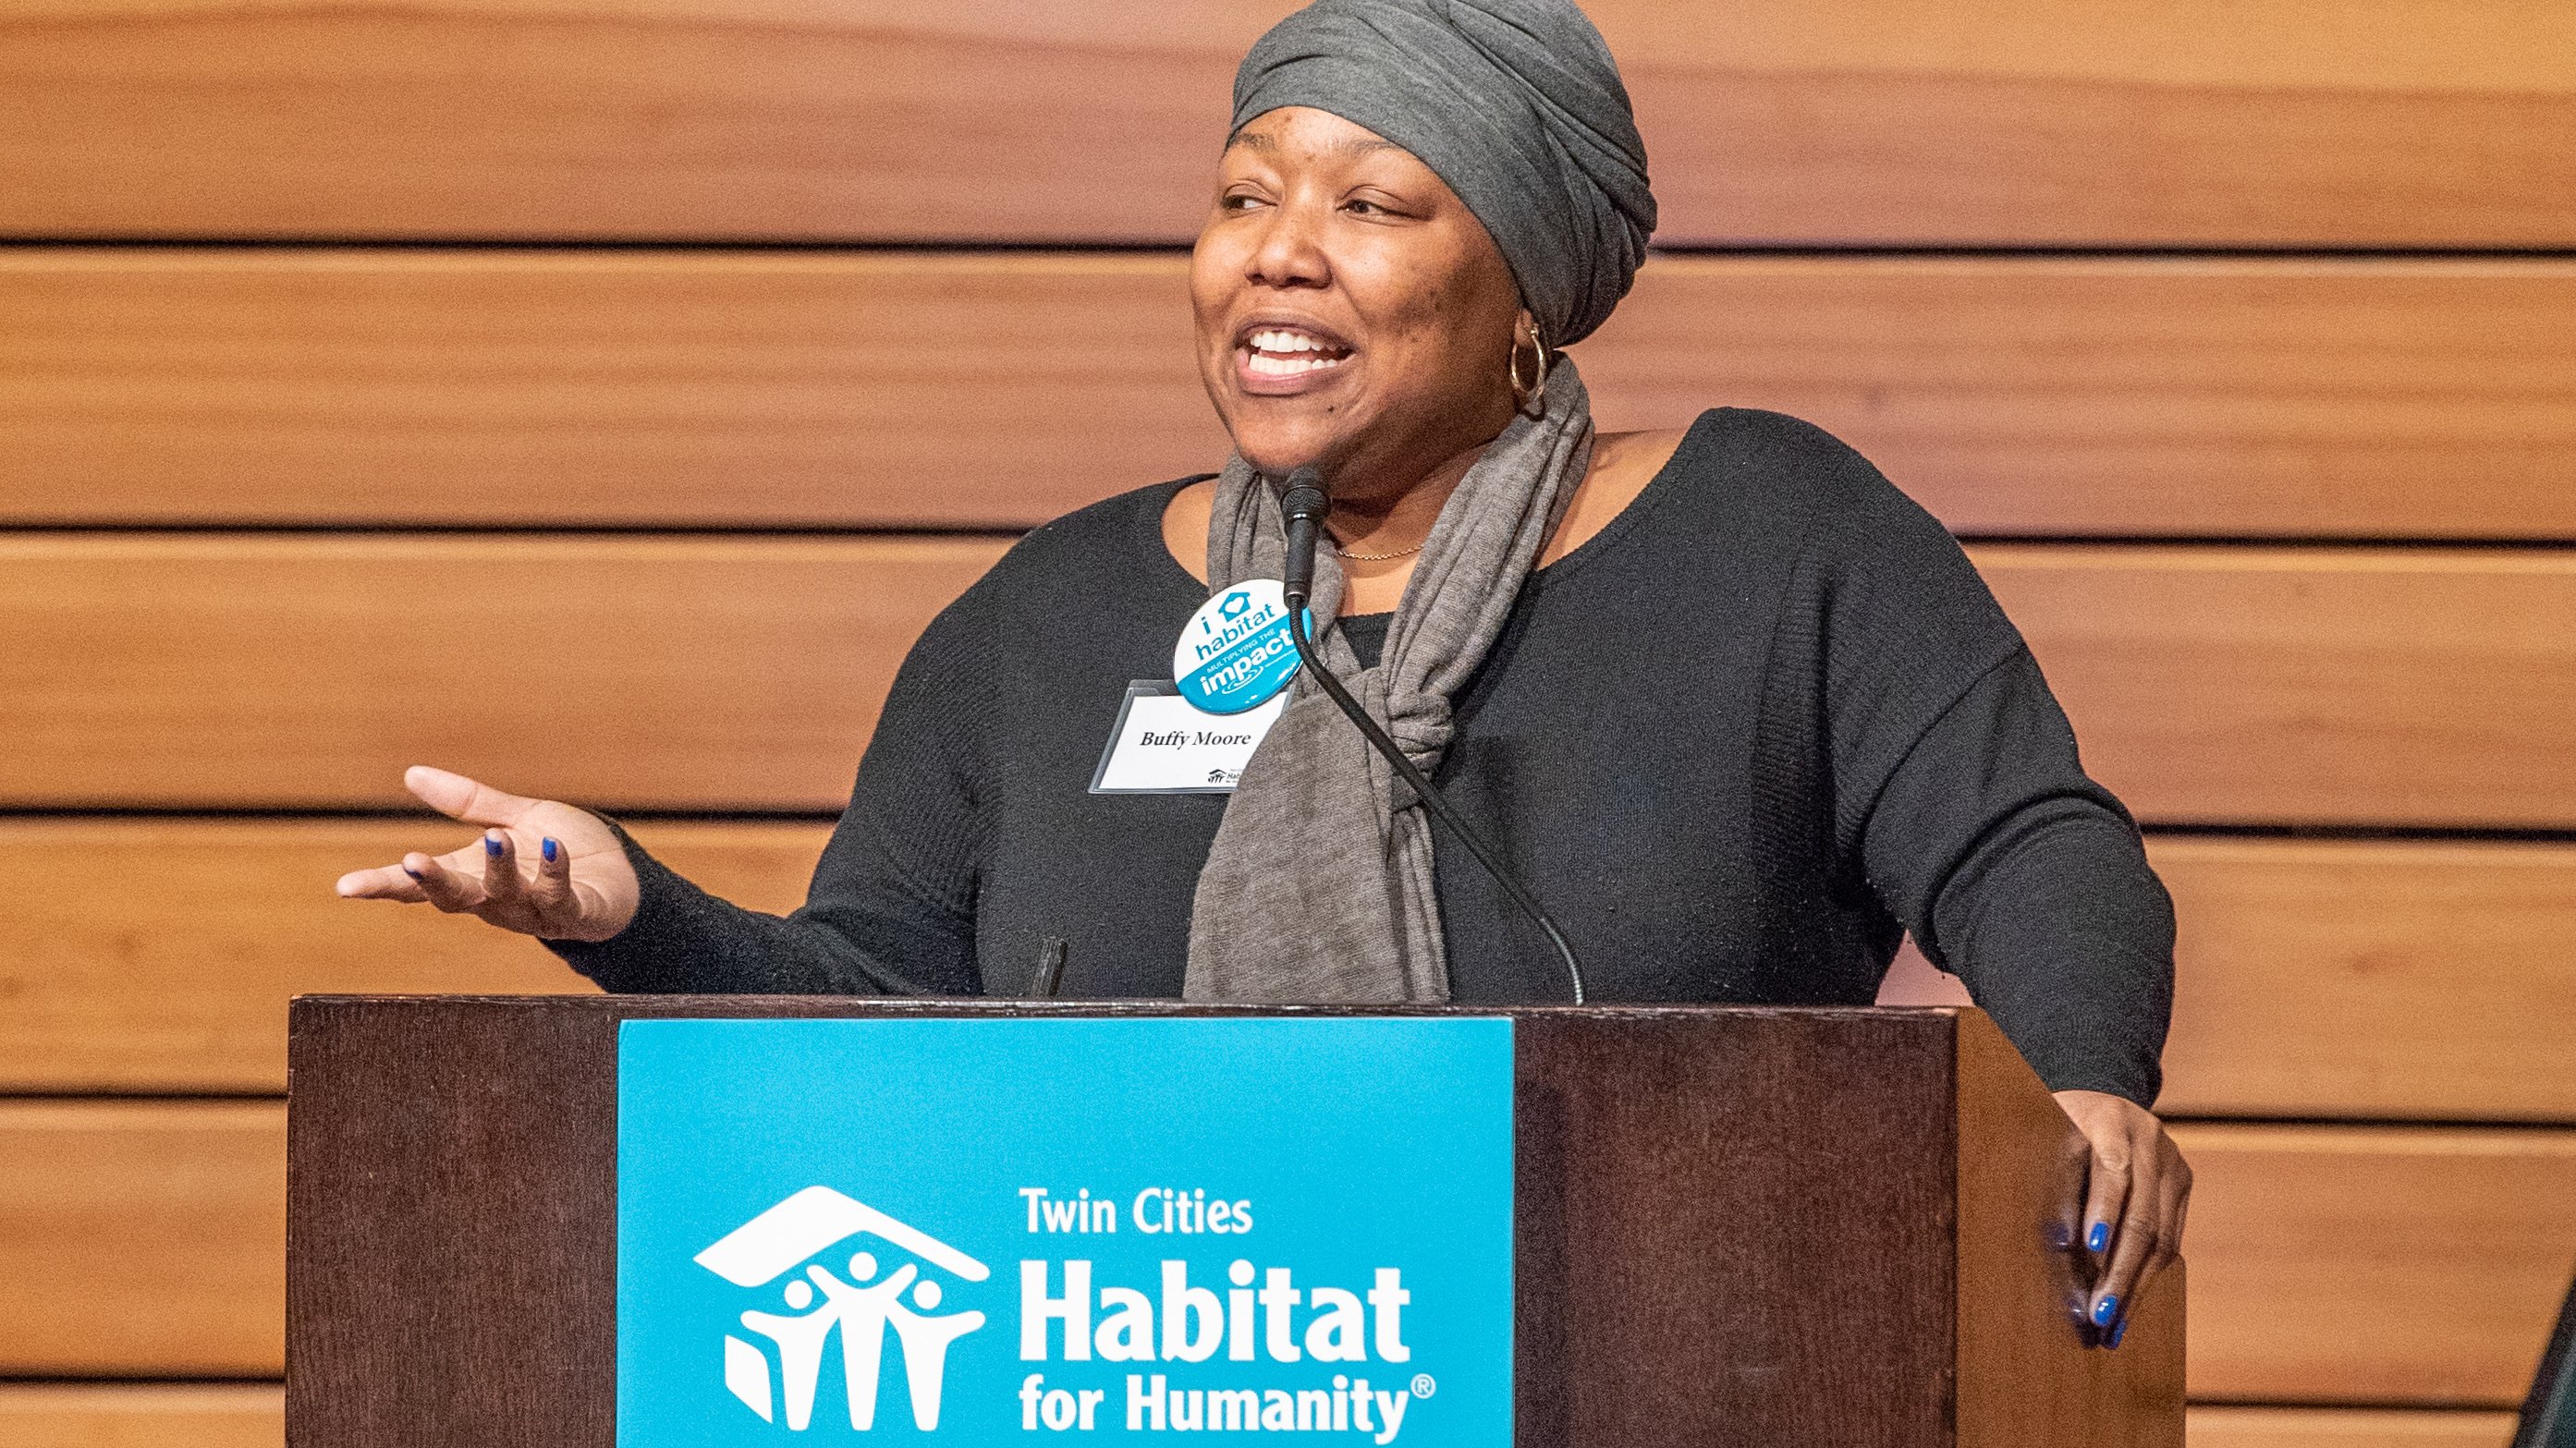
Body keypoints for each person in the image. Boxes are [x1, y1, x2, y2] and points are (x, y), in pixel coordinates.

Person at [337, 0, 2186, 1351]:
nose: (1276, 257)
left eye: (1373, 206)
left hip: (1681, 1358)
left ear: (1525, 282)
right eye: (1242, 197)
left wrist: (2085, 1081)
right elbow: (877, 1003)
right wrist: (634, 913)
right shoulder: (1050, 613)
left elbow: (2028, 845)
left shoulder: (1770, 537)